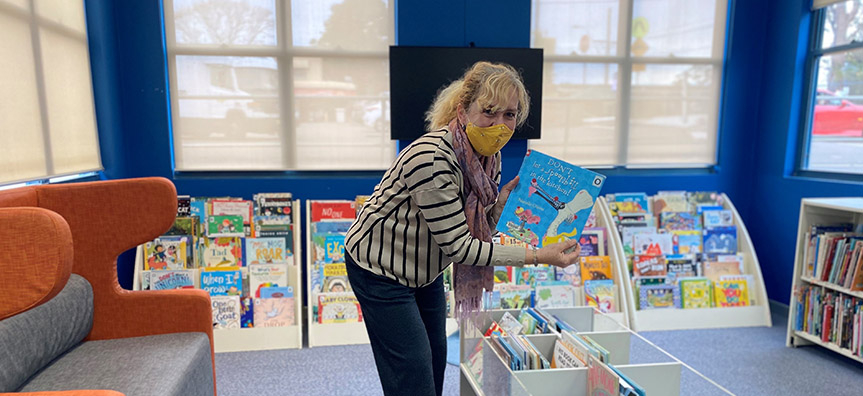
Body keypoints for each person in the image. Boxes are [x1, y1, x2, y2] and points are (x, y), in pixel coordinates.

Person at [343, 61, 583, 396]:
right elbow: (461, 247)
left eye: (510, 115)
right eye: (489, 111)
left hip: (425, 267)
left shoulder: (488, 155)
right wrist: (538, 255)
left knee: (434, 360)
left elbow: (476, 225)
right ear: (463, 110)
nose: (500, 125)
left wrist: (499, 206)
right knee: (411, 371)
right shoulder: (432, 158)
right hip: (380, 269)